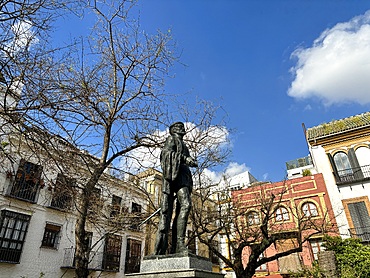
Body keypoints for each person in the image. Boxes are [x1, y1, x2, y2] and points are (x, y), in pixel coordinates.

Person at [154, 122, 198, 255]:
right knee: (186, 204)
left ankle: (177, 245)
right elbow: (166, 154)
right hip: (176, 178)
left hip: (184, 178)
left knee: (183, 207)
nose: (182, 129)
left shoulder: (183, 145)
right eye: (179, 127)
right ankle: (178, 243)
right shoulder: (172, 139)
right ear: (173, 130)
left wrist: (189, 160)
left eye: (182, 127)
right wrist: (185, 158)